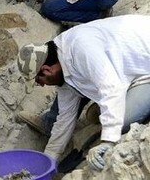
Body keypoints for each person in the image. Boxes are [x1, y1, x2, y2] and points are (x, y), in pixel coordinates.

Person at [17, 15, 150, 171]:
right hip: (126, 69)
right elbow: (64, 119)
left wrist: (108, 141)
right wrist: (49, 160)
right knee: (97, 116)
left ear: (46, 70)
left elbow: (111, 88)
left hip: (144, 66)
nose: (40, 85)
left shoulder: (81, 49)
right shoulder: (61, 61)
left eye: (38, 80)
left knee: (122, 120)